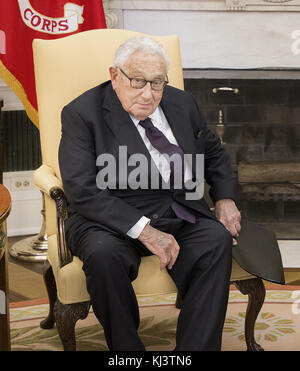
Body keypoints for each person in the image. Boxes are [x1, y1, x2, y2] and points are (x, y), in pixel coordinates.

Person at [58, 36, 241, 351]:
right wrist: (144, 230)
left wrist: (224, 198)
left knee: (216, 240)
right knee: (104, 257)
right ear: (115, 75)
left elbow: (213, 152)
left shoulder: (182, 103)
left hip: (177, 211)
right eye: (138, 81)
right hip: (107, 219)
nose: (148, 94)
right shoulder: (81, 113)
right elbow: (81, 188)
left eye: (157, 83)